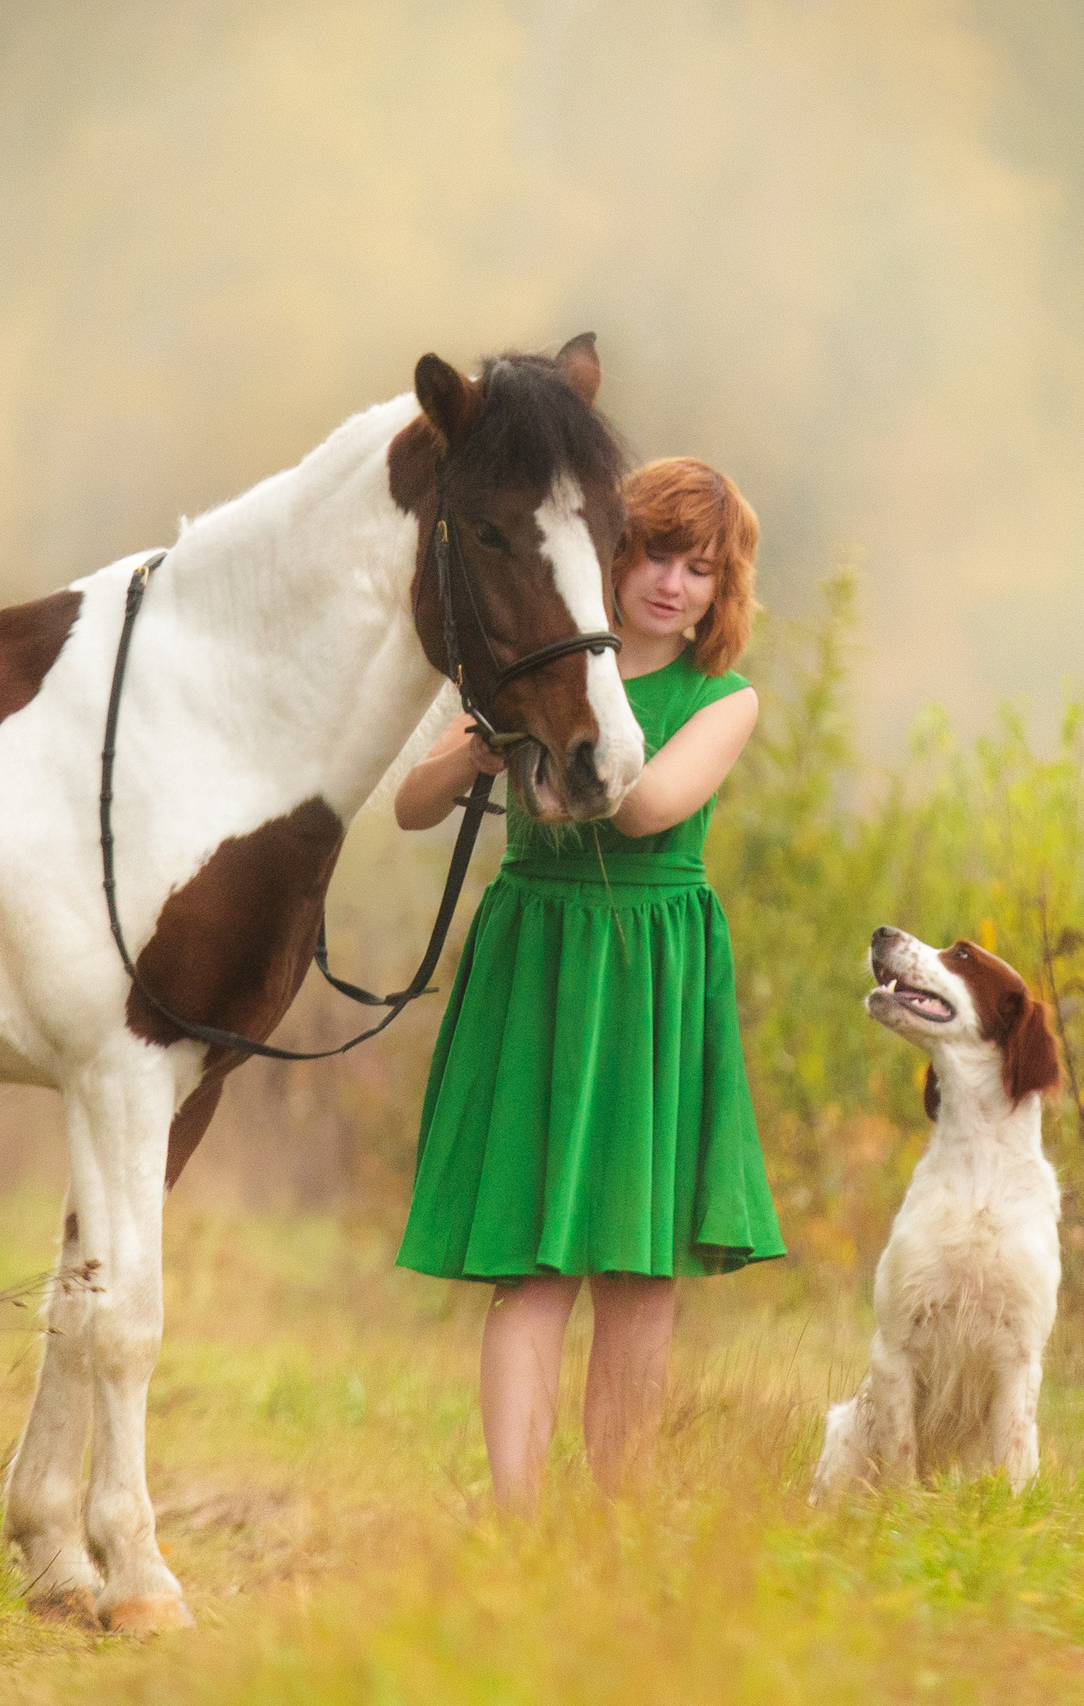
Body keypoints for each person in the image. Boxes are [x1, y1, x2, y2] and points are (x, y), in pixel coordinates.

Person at [392, 456, 784, 1511]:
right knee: (532, 1267)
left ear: (721, 588)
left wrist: (554, 743)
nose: (671, 584)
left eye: (699, 569)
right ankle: (517, 1525)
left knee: (640, 1273)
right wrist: (481, 748)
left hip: (652, 975)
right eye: (654, 555)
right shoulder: (539, 672)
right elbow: (412, 805)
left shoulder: (723, 699)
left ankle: (619, 1520)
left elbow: (647, 807)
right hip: (542, 962)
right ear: (610, 554)